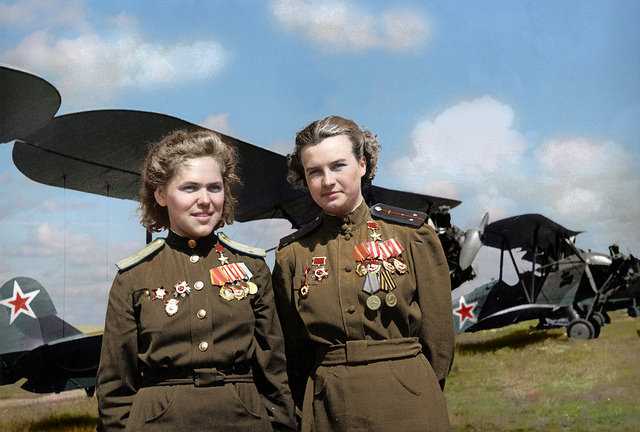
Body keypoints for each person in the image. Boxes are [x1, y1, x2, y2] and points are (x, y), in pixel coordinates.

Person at [96, 129, 295, 431]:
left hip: (244, 418)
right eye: (190, 188)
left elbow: (274, 368)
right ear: (161, 194)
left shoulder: (252, 267)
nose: (205, 200)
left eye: (214, 188)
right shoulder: (133, 277)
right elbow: (114, 385)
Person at [272, 116, 454, 431]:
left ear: (363, 164)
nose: (327, 180)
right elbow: (294, 352)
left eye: (338, 165)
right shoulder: (293, 255)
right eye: (315, 172)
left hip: (409, 402)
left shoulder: (412, 235)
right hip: (330, 407)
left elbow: (438, 341)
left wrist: (415, 384)